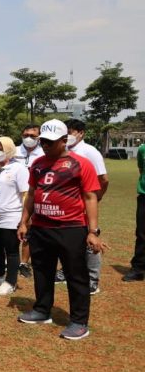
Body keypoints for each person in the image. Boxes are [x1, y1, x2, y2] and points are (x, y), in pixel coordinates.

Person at [17, 119, 105, 341]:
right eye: (43, 141)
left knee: (76, 275)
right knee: (42, 271)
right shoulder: (37, 164)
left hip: (71, 228)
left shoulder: (81, 164)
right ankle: (42, 310)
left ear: (64, 140)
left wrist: (93, 231)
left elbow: (90, 197)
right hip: (41, 227)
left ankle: (79, 321)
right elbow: (32, 193)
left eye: (51, 141)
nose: (45, 145)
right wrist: (24, 221)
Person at [64, 119, 108, 295]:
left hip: (85, 203)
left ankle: (92, 279)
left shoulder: (90, 152)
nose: (67, 136)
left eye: (70, 132)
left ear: (81, 133)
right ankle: (66, 271)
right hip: (68, 205)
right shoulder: (63, 150)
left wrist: (96, 199)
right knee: (69, 239)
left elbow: (103, 179)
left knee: (90, 237)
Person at [0, 137, 29, 296]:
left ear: (9, 150)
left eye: (0, 148)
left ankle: (11, 282)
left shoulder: (19, 169)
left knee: (11, 250)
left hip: (11, 215)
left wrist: (24, 219)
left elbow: (25, 194)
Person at [14, 124, 43, 279]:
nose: (28, 138)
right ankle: (10, 260)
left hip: (33, 195)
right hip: (13, 195)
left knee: (28, 229)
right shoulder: (14, 151)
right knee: (10, 229)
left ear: (39, 137)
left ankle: (24, 263)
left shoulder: (43, 153)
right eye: (25, 135)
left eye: (32, 136)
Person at [123, 141, 145, 282]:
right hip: (144, 195)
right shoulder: (143, 149)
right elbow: (141, 169)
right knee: (142, 234)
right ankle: (138, 269)